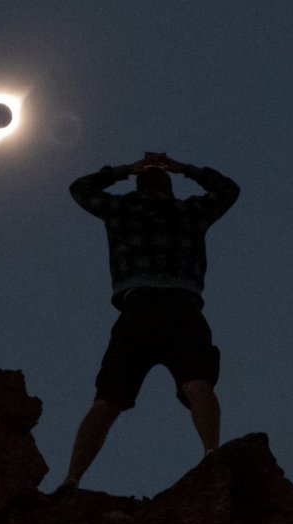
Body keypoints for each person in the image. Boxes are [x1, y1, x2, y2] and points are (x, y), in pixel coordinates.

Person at [57, 152, 240, 494]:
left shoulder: (122, 210)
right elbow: (228, 189)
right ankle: (212, 453)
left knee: (107, 399)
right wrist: (185, 167)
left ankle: (72, 479)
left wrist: (125, 169)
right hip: (182, 309)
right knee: (198, 384)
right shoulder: (190, 211)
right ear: (169, 187)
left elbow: (80, 188)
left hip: (137, 309)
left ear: (139, 184)